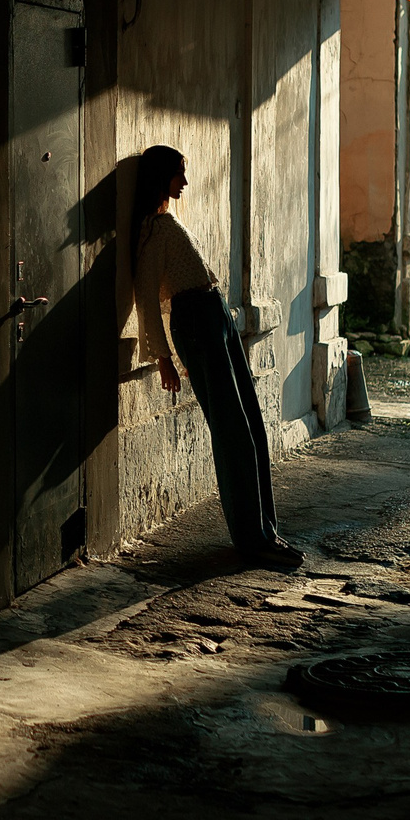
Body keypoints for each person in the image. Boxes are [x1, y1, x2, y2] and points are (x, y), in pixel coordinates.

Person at [129, 145, 302, 570]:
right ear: (161, 176)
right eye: (178, 174)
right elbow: (146, 299)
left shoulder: (167, 222)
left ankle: (266, 531)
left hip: (215, 315)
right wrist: (164, 358)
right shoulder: (152, 231)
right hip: (197, 322)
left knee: (250, 423)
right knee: (232, 432)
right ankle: (252, 539)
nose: (184, 182)